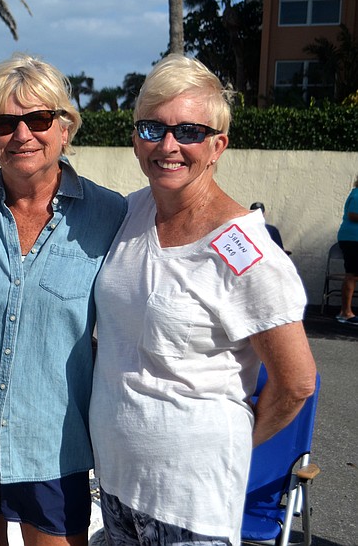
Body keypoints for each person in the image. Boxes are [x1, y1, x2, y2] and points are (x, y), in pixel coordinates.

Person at [89, 54, 317, 546]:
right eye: (152, 128)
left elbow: (296, 383)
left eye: (189, 131)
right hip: (115, 486)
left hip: (190, 503)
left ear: (218, 146)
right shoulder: (131, 211)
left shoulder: (247, 253)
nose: (168, 145)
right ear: (135, 137)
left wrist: (229, 443)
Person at [0, 53, 126, 546]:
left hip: (55, 446)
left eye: (39, 119)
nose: (22, 134)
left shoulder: (112, 217)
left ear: (64, 129)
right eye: (4, 122)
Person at [336, 174, 358, 324]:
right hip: (353, 238)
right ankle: (345, 313)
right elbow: (353, 214)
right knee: (353, 274)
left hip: (352, 238)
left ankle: (345, 312)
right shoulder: (357, 194)